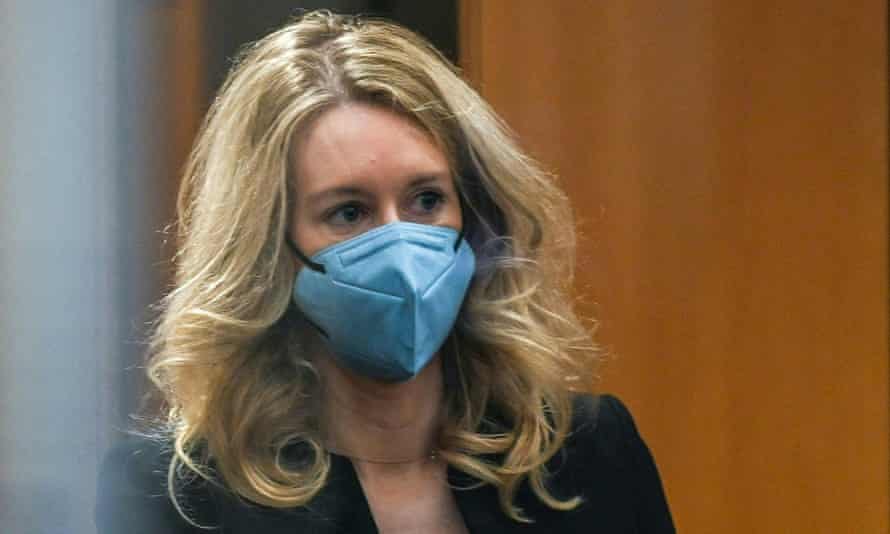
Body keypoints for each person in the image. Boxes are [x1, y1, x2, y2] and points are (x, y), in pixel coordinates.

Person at [96, 10, 674, 534]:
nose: (400, 248)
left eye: (426, 200)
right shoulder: (176, 498)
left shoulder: (587, 453)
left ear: (473, 217)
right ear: (270, 250)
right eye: (349, 212)